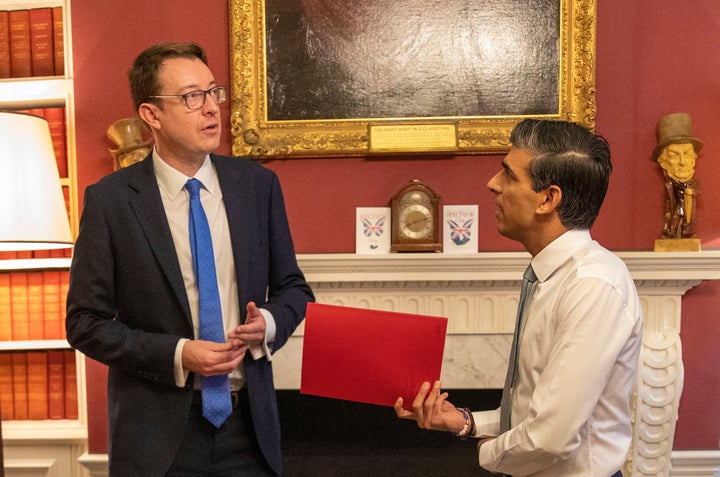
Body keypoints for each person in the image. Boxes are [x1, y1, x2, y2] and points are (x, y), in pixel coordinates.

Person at [66, 42, 315, 476]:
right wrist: (180, 354)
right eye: (190, 97)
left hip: (249, 430)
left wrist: (268, 324)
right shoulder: (110, 202)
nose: (211, 109)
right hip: (157, 439)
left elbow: (294, 289)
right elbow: (84, 323)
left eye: (213, 92)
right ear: (151, 115)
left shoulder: (257, 186)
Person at [394, 118, 643, 476]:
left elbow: (551, 437)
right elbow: (534, 412)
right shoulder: (550, 277)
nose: (492, 184)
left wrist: (485, 454)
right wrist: (464, 421)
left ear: (548, 198)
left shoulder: (592, 285)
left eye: (508, 175)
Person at [652, 112, 703, 239]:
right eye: (674, 155)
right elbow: (669, 202)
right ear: (663, 162)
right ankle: (671, 232)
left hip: (686, 206)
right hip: (677, 208)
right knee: (674, 220)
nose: (682, 162)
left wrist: (691, 193)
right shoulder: (670, 185)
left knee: (684, 220)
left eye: (686, 154)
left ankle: (684, 232)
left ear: (693, 157)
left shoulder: (692, 184)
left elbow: (697, 191)